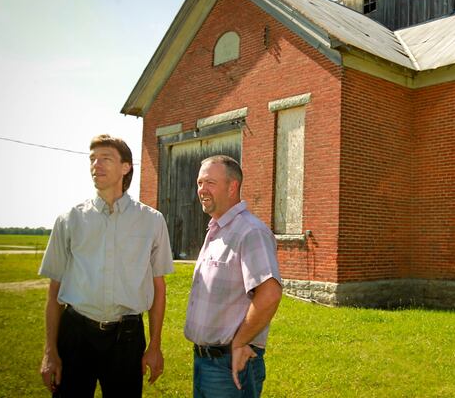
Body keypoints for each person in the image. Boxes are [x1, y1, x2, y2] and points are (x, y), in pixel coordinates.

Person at [39, 134, 174, 397]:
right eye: (92, 159)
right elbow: (54, 288)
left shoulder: (152, 221)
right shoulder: (69, 220)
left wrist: (155, 345)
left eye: (105, 159)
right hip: (75, 336)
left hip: (127, 339)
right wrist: (50, 351)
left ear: (126, 167)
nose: (95, 165)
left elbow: (159, 288)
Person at [185, 155, 282, 398]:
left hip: (230, 366)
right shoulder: (217, 230)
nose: (202, 190)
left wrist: (240, 342)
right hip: (205, 363)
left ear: (232, 187)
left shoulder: (250, 231)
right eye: (199, 183)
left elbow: (269, 294)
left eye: (210, 182)